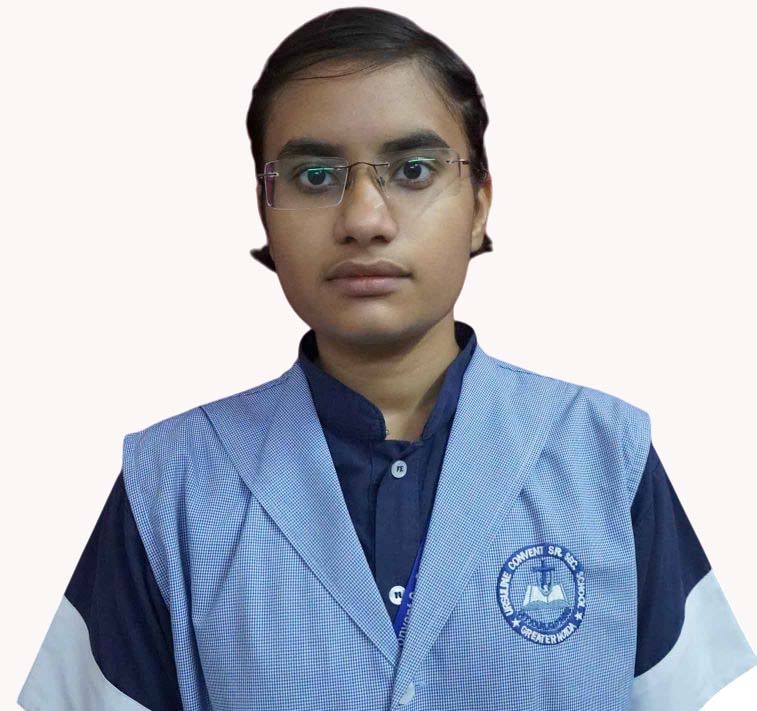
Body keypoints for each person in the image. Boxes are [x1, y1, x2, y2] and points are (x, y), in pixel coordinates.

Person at [17, 7, 756, 711]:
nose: (364, 219)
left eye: (413, 171)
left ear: (479, 204)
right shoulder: (169, 483)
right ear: (264, 209)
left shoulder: (606, 455)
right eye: (314, 177)